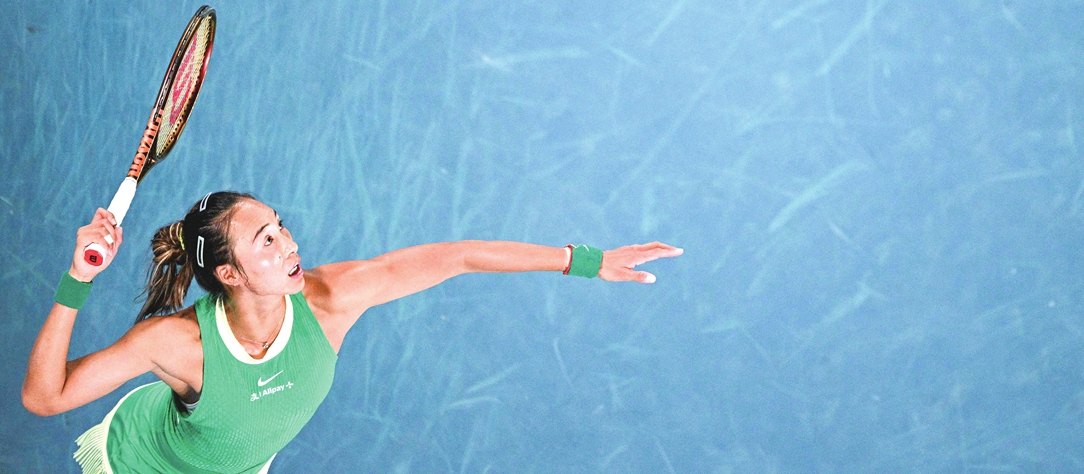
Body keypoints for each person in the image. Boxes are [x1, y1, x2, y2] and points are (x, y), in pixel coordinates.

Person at [23, 191, 682, 473]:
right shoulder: (177, 345)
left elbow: (455, 256)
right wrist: (78, 280)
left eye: (280, 227)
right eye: (265, 240)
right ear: (228, 272)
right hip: (145, 465)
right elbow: (44, 399)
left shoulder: (331, 299)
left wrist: (588, 261)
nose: (289, 245)